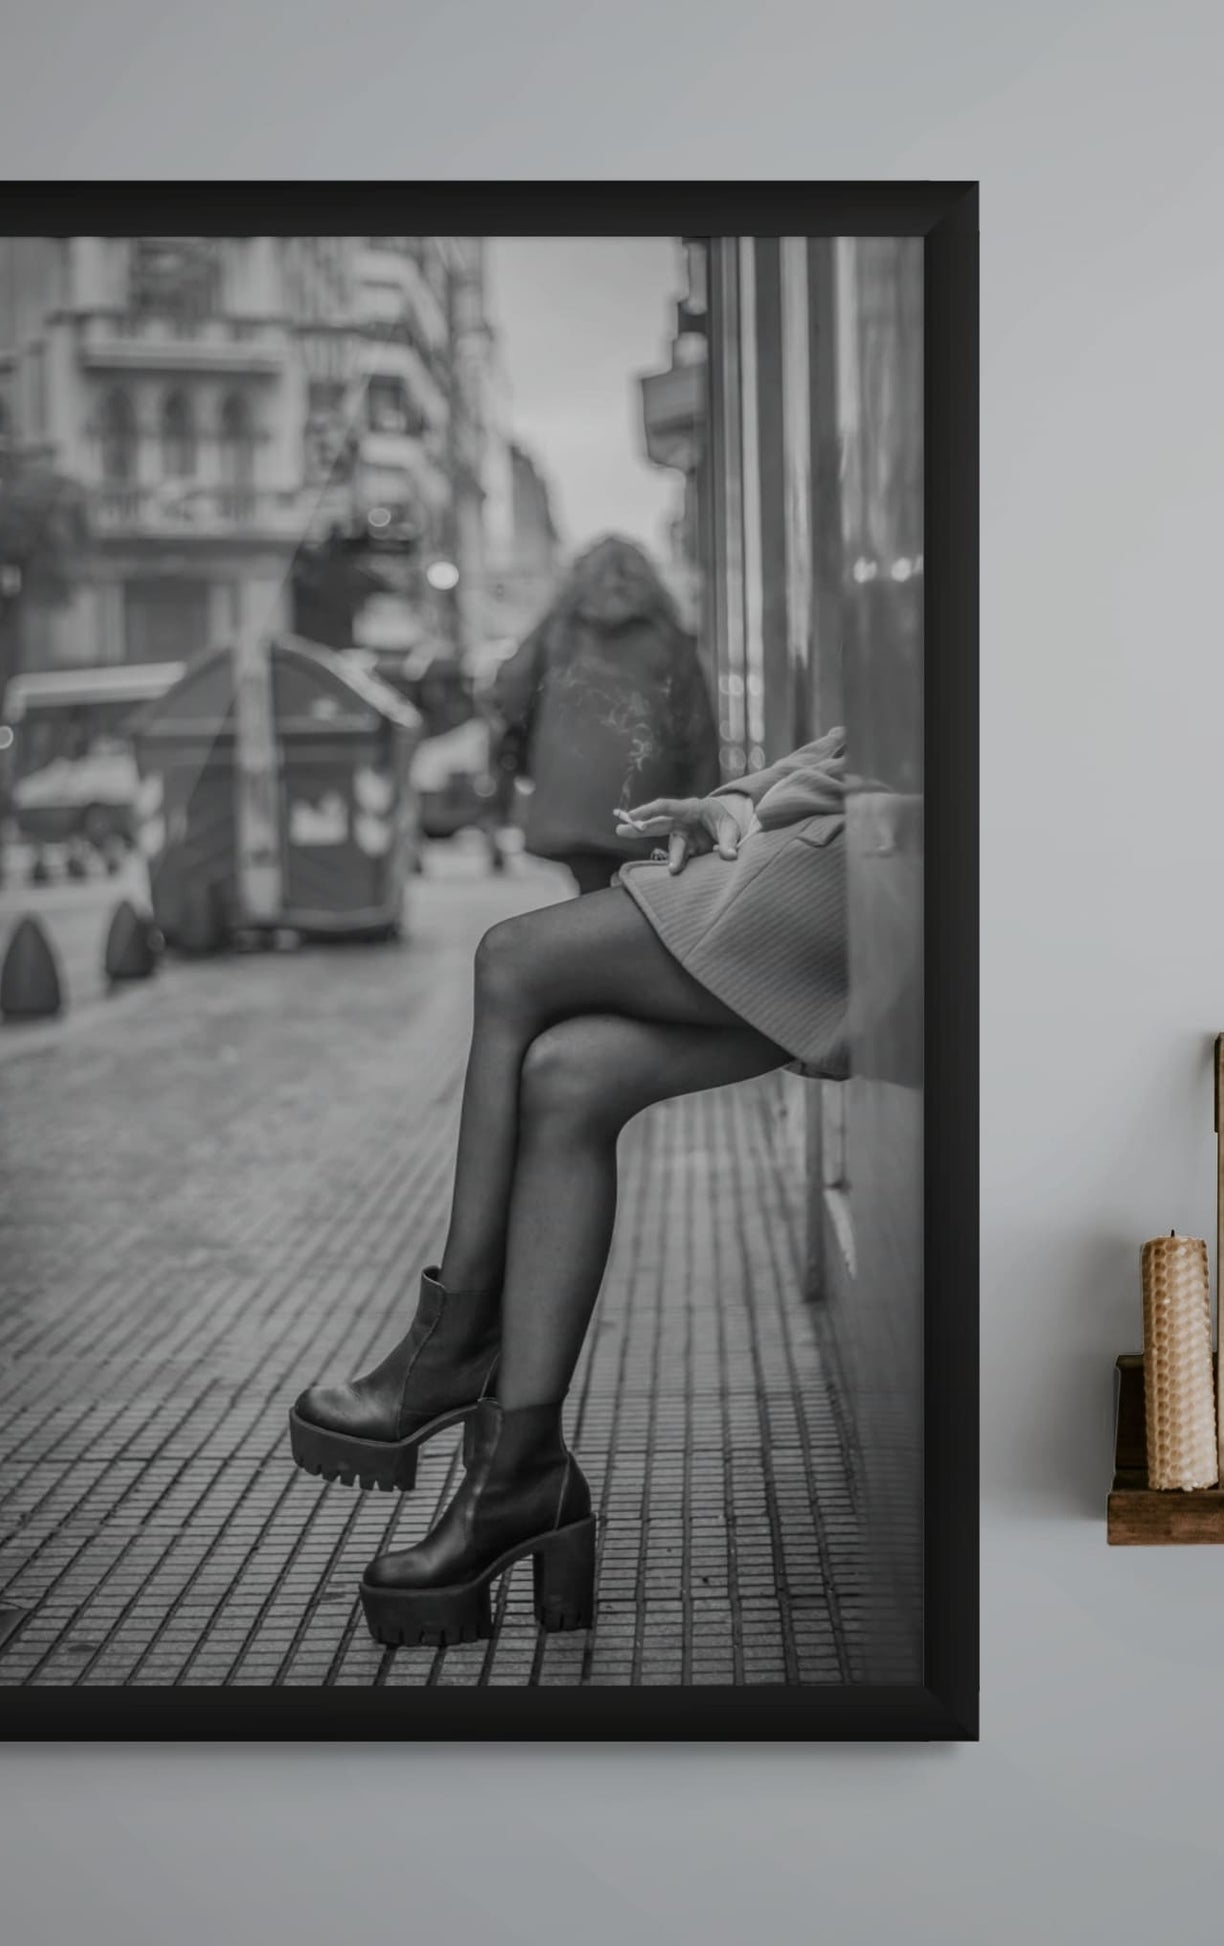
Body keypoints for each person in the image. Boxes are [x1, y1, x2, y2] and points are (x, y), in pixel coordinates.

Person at [287, 728, 849, 1647]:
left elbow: (903, 752)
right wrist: (737, 797)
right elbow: (867, 735)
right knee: (567, 1076)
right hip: (839, 876)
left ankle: (451, 1346)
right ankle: (521, 1475)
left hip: (864, 881)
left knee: (513, 956)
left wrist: (758, 804)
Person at [490, 536, 719, 896]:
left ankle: (596, 934)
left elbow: (510, 688)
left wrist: (529, 740)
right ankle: (615, 936)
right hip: (646, 792)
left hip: (569, 790)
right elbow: (697, 728)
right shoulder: (669, 637)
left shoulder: (559, 628)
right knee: (634, 877)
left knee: (590, 881)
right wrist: (702, 797)